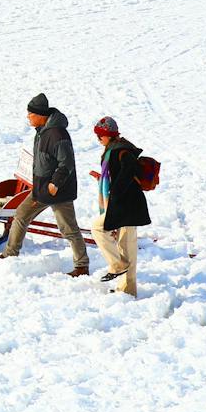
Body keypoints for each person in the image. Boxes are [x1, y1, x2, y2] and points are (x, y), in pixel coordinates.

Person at [0, 93, 89, 276]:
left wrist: (55, 183)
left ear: (40, 115)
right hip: (41, 189)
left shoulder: (57, 134)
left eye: (30, 114)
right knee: (21, 215)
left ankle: (82, 266)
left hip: (58, 190)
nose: (28, 117)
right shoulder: (42, 132)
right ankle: (9, 255)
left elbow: (66, 163)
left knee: (68, 229)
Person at [87, 116, 152, 296]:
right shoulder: (114, 149)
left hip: (127, 204)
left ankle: (118, 267)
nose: (98, 139)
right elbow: (119, 174)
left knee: (99, 229)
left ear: (109, 135)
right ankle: (127, 289)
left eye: (100, 135)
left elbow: (128, 170)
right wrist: (103, 180)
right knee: (126, 246)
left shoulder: (121, 150)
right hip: (124, 203)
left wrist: (116, 190)